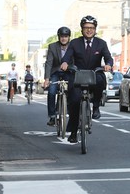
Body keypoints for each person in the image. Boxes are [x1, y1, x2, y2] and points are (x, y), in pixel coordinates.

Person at [60, 15, 113, 143]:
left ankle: (95, 107)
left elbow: (108, 57)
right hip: (78, 74)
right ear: (82, 29)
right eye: (86, 28)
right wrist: (65, 63)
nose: (89, 30)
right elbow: (67, 57)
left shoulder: (101, 43)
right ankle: (73, 132)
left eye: (91, 28)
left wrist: (108, 65)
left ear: (95, 29)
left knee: (101, 80)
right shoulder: (74, 43)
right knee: (74, 101)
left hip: (94, 73)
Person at [44, 26, 73, 126]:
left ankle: (67, 111)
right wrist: (47, 79)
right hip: (56, 72)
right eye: (62, 36)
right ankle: (52, 116)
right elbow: (49, 63)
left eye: (66, 36)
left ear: (69, 37)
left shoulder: (73, 46)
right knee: (52, 91)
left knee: (72, 90)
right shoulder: (52, 46)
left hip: (68, 72)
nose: (64, 38)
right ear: (58, 37)